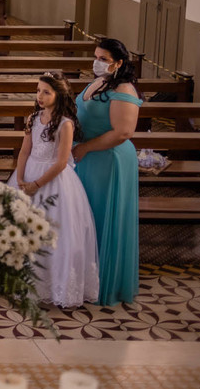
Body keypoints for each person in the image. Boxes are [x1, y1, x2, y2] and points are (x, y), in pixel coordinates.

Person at [7, 72, 99, 308]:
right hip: (28, 176)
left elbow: (61, 162)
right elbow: (25, 151)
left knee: (57, 235)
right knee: (25, 231)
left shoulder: (65, 123)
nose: (40, 96)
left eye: (46, 92)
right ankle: (25, 283)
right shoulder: (33, 118)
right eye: (38, 90)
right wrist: (20, 178)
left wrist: (37, 184)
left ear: (59, 95)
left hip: (55, 182)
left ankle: (55, 286)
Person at [74, 37, 142, 306]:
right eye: (96, 57)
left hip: (109, 160)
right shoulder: (98, 82)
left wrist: (86, 147)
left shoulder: (124, 88)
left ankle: (105, 282)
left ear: (119, 63)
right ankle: (85, 280)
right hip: (88, 157)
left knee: (103, 218)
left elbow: (123, 132)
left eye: (104, 59)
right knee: (88, 217)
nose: (97, 62)